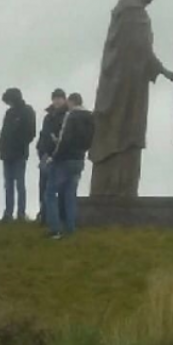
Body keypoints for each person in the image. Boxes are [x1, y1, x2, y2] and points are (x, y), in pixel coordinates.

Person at [89, 0, 173, 197]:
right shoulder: (133, 13)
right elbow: (142, 50)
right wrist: (165, 72)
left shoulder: (124, 11)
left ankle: (112, 187)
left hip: (120, 82)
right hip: (128, 87)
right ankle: (119, 188)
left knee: (119, 131)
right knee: (126, 133)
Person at [45, 93, 95, 240]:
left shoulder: (71, 116)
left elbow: (64, 140)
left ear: (71, 102)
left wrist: (54, 156)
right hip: (79, 159)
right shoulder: (90, 117)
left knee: (50, 193)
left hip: (64, 159)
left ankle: (55, 229)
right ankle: (71, 228)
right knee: (70, 194)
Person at [0, 87, 36, 222]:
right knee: (8, 184)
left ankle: (21, 213)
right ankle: (8, 213)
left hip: (19, 154)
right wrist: (1, 150)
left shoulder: (27, 111)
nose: (8, 103)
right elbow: (3, 133)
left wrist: (18, 144)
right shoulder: (9, 113)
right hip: (7, 154)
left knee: (19, 183)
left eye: (9, 100)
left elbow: (31, 133)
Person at [36, 88, 69, 225]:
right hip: (46, 155)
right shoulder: (48, 117)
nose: (56, 101)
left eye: (59, 98)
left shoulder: (67, 115)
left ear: (64, 99)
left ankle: (61, 217)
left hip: (60, 157)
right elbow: (43, 135)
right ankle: (44, 215)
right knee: (43, 187)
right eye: (54, 98)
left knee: (60, 189)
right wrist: (41, 151)